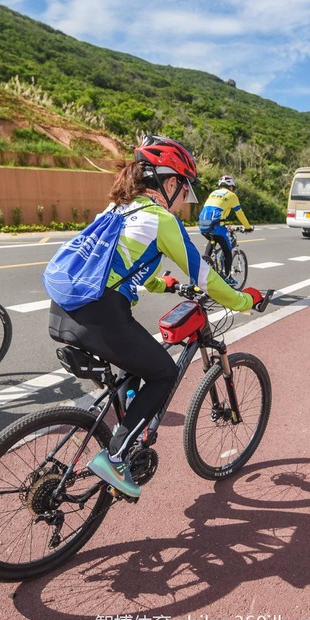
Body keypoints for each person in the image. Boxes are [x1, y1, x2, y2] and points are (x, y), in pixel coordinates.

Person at [48, 135, 264, 499]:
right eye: (185, 189)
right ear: (169, 182)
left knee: (136, 364)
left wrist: (161, 283)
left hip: (65, 310)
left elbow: (117, 261)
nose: (185, 200)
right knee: (162, 373)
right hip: (100, 315)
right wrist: (244, 300)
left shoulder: (118, 209)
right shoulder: (160, 218)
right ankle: (115, 457)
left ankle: (127, 433)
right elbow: (205, 278)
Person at [198, 175, 253, 286]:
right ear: (231, 186)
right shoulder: (231, 195)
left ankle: (206, 261)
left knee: (212, 239)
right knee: (227, 251)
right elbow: (239, 213)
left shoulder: (213, 193)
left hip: (202, 225)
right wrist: (247, 227)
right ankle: (228, 277)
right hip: (217, 227)